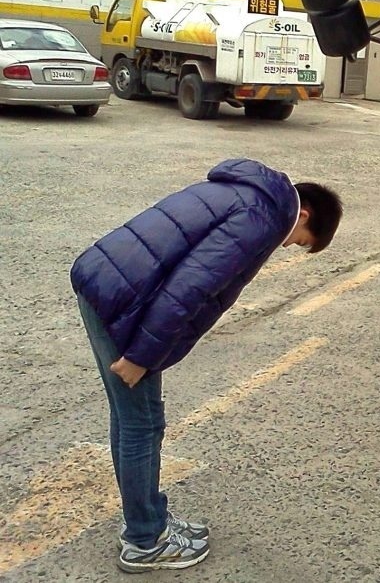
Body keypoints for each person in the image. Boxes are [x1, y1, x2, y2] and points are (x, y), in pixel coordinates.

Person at [70, 158, 342, 573]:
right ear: (303, 214)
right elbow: (188, 288)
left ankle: (149, 520)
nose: (290, 247)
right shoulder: (262, 218)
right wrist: (141, 356)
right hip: (126, 305)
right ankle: (145, 540)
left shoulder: (250, 194)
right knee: (143, 424)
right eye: (302, 241)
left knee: (131, 420)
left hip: (110, 282)